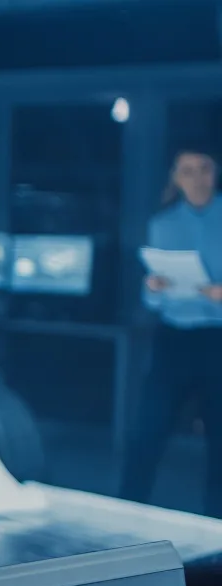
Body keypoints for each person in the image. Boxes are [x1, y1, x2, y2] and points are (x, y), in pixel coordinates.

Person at [122, 147, 222, 516]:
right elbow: (153, 303)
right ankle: (128, 510)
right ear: (175, 179)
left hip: (218, 338)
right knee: (148, 429)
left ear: (215, 172)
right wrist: (154, 288)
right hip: (174, 337)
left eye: (204, 169)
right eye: (187, 171)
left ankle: (217, 526)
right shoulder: (162, 225)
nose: (197, 179)